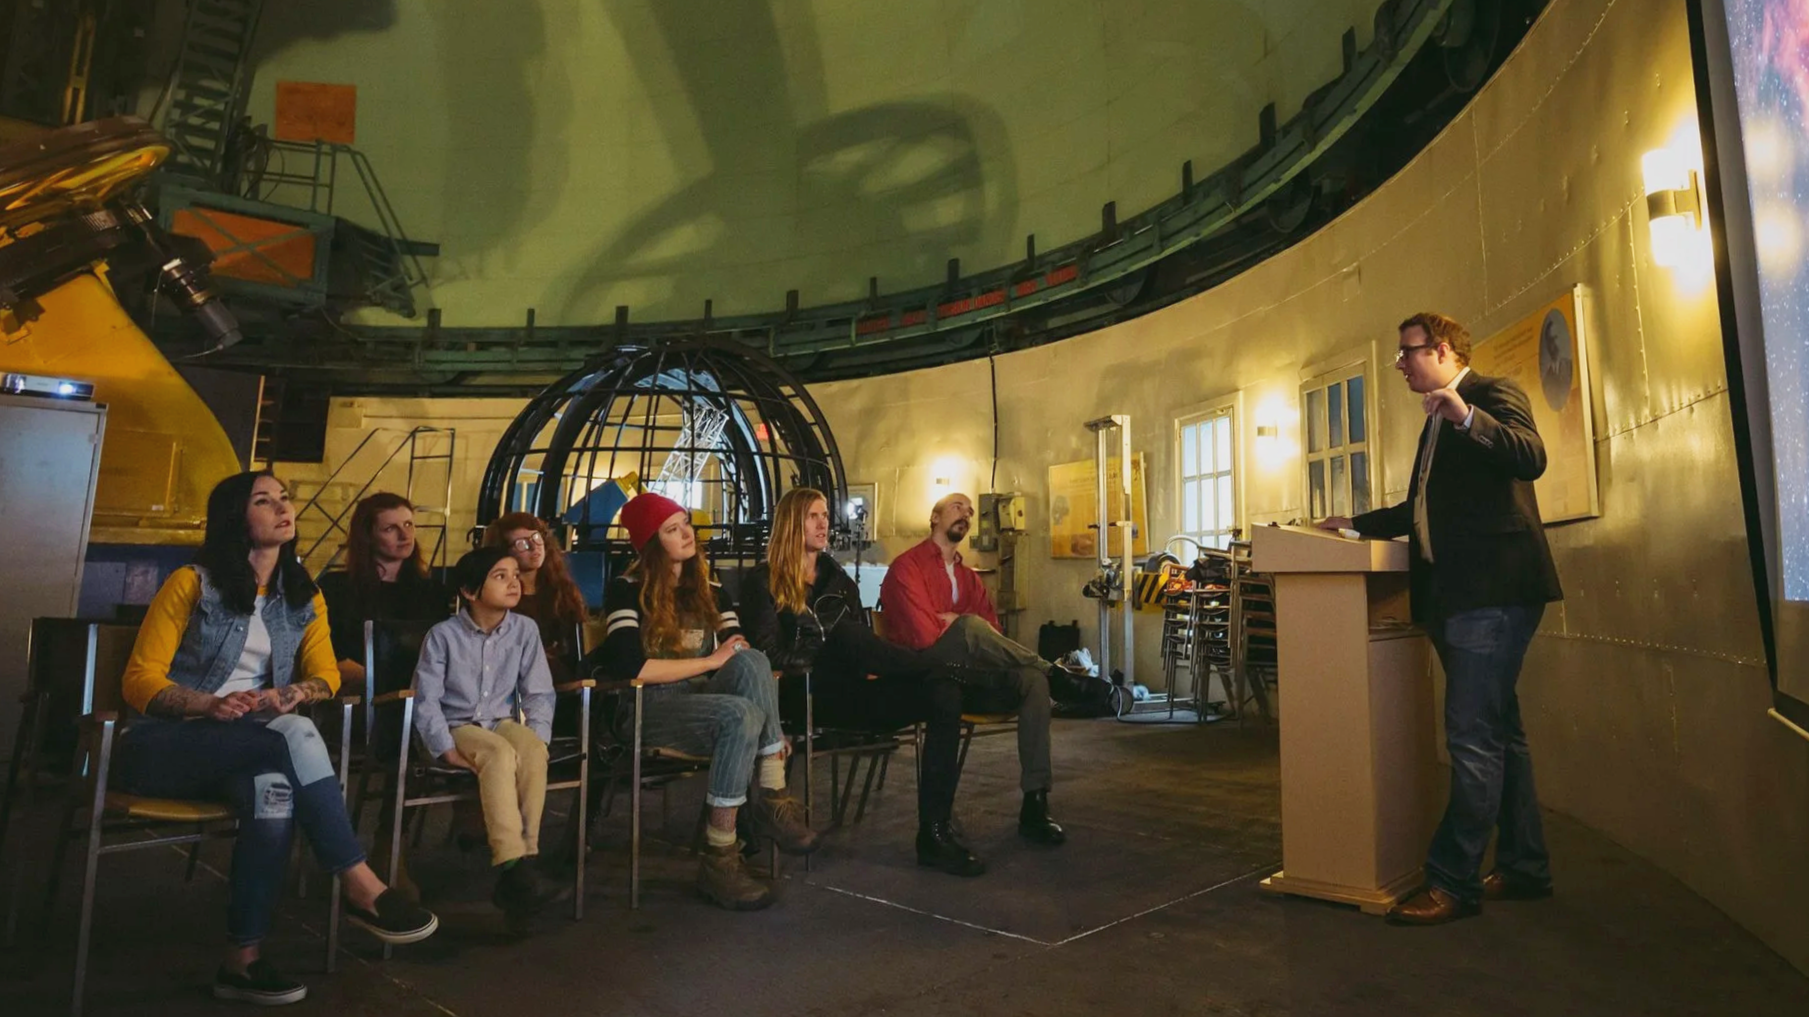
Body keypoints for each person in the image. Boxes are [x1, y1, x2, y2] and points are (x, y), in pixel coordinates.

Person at [117, 471, 439, 1006]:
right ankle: (360, 884)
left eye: (284, 498)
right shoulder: (192, 584)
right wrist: (208, 703)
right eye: (263, 501)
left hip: (253, 742)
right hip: (165, 744)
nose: (282, 507)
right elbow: (139, 679)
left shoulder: (302, 596)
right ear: (235, 520)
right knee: (294, 731)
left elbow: (327, 676)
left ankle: (240, 962)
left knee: (273, 794)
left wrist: (292, 693)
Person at [1320, 311, 1563, 926]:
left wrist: (1465, 415)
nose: (1400, 364)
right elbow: (1419, 509)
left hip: (1493, 593)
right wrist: (1350, 525)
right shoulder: (1432, 423)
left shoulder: (1488, 394)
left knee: (1472, 737)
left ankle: (1453, 882)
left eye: (1408, 353)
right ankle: (1526, 866)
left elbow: (1530, 457)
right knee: (1499, 732)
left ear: (1445, 349)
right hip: (1461, 596)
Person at [585, 492, 818, 910]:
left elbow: (737, 644)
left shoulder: (708, 588)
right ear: (652, 543)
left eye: (686, 523)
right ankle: (720, 856)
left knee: (753, 660)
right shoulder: (627, 589)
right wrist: (710, 661)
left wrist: (725, 656)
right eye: (672, 530)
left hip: (697, 700)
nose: (687, 534)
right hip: (646, 707)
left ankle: (771, 796)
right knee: (738, 713)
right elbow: (630, 667)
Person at [740, 488, 983, 876]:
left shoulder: (837, 579)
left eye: (824, 515)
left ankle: (934, 835)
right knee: (849, 636)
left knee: (943, 693)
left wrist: (854, 657)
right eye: (813, 516)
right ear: (791, 523)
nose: (824, 524)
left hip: (849, 691)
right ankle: (937, 665)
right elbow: (767, 655)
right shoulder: (762, 581)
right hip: (799, 692)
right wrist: (829, 653)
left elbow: (870, 651)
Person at [877, 492, 1066, 847]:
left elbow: (993, 632)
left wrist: (965, 626)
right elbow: (923, 636)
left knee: (1032, 681)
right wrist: (964, 626)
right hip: (928, 675)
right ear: (934, 518)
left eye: (969, 510)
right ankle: (1063, 679)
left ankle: (1035, 803)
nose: (965, 513)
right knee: (970, 627)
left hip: (971, 676)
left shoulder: (969, 577)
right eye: (956, 506)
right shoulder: (906, 567)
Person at [413, 547, 559, 930]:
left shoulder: (525, 630)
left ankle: (522, 864)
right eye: (500, 576)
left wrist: (539, 735)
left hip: (501, 719)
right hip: (457, 724)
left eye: (514, 574)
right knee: (497, 753)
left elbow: (539, 692)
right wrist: (443, 747)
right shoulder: (442, 636)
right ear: (469, 590)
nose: (514, 581)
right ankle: (514, 866)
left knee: (528, 749)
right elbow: (425, 699)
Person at [317, 492, 452, 690]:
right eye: (390, 528)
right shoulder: (337, 588)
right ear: (368, 536)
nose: (405, 536)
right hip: (353, 696)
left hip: (417, 693)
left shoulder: (432, 592)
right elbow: (329, 654)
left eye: (408, 524)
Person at [484, 512, 589, 685]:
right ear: (504, 552)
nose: (534, 547)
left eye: (536, 537)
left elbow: (573, 649)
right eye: (522, 543)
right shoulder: (499, 596)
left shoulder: (562, 590)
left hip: (565, 682)